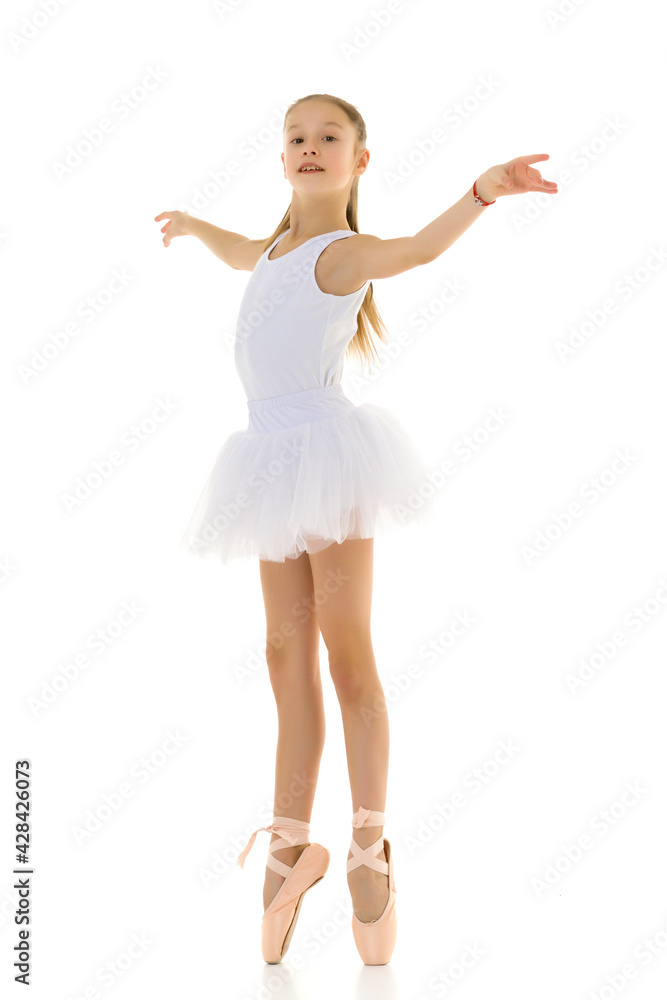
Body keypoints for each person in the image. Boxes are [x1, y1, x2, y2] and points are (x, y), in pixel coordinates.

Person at [154, 92, 558, 966]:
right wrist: (189, 223)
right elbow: (237, 254)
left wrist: (481, 190)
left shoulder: (342, 255)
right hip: (264, 461)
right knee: (278, 656)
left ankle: (370, 849)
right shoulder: (271, 249)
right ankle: (290, 844)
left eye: (327, 137)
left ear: (358, 162)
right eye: (295, 136)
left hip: (326, 457)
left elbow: (411, 250)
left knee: (346, 652)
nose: (307, 147)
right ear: (281, 155)